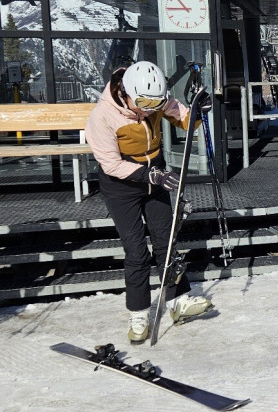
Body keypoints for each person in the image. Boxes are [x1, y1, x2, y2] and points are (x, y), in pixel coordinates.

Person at [85, 60, 213, 343]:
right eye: (142, 102)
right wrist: (150, 176)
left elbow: (182, 117)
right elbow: (110, 164)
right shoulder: (103, 116)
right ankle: (139, 312)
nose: (147, 110)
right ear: (127, 92)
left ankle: (178, 301)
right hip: (121, 186)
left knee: (166, 242)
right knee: (135, 250)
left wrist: (197, 113)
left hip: (154, 173)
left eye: (154, 104)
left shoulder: (155, 102)